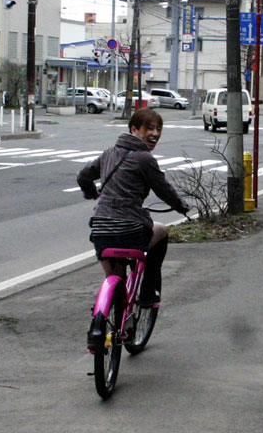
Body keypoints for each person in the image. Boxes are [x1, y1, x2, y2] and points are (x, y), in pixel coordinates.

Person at [77, 108, 190, 306]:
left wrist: (92, 194)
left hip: (101, 228)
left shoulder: (108, 154)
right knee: (161, 231)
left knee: (116, 282)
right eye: (149, 128)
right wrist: (182, 207)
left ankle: (107, 326)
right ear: (134, 129)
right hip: (130, 228)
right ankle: (148, 291)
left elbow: (83, 176)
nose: (155, 133)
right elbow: (163, 189)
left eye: (158, 129)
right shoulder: (144, 159)